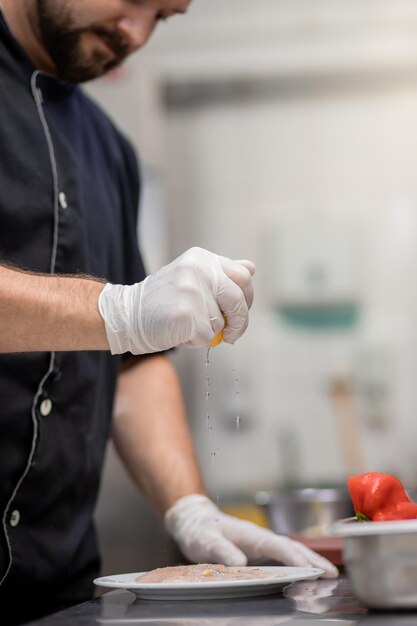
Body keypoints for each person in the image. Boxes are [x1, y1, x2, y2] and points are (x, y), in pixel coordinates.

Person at [0, 0, 338, 623]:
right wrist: (119, 310)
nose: (136, 32)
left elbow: (129, 364)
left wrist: (190, 508)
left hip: (62, 599)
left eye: (165, 16)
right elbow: (119, 321)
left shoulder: (110, 153)